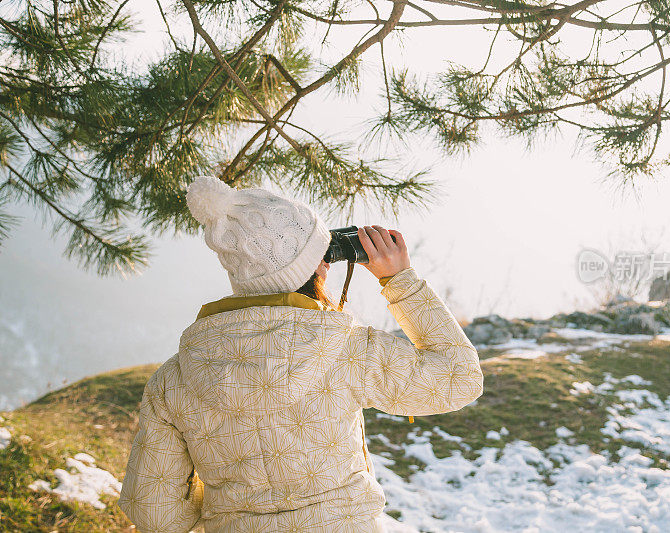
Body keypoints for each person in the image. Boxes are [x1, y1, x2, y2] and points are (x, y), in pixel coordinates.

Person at [118, 176, 484, 532]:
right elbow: (459, 379)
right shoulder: (345, 348)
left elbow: (155, 514)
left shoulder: (173, 379)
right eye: (320, 253)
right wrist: (400, 280)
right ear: (314, 269)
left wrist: (229, 509)